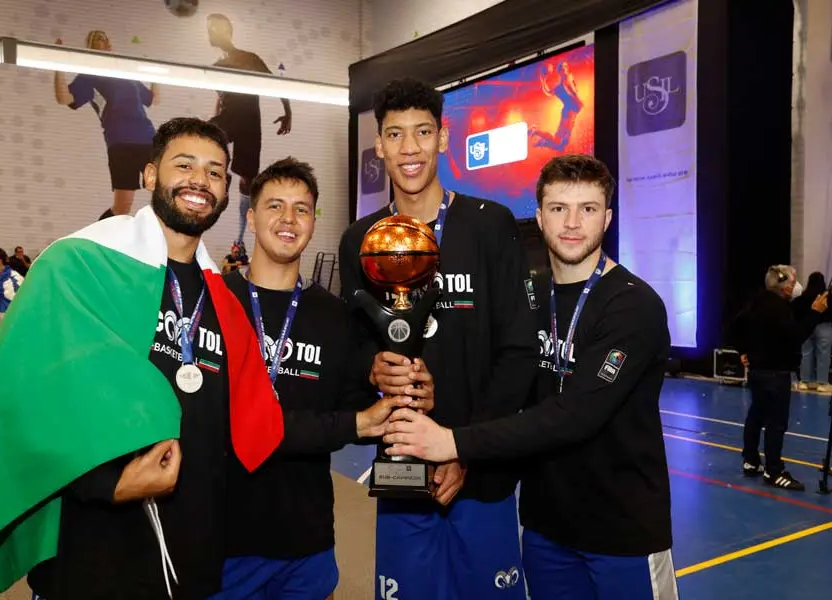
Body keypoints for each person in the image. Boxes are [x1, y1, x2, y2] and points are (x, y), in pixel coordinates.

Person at [0, 117, 283, 600]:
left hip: (193, 557)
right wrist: (107, 482)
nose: (200, 182)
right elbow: (32, 396)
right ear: (149, 175)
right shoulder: (78, 265)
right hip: (94, 553)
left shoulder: (225, 301)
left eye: (215, 173)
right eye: (184, 165)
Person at [382, 154, 680, 600]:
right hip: (545, 529)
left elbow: (576, 414)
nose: (573, 223)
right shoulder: (530, 297)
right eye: (559, 208)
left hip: (622, 533)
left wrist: (454, 442)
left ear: (609, 217)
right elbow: (507, 390)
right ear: (540, 217)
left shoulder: (632, 306)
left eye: (589, 208)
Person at [338, 77, 538, 600]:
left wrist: (465, 447)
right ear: (378, 145)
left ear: (444, 139)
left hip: (481, 472)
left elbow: (518, 350)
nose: (410, 149)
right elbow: (353, 345)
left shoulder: (489, 224)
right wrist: (372, 368)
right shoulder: (361, 239)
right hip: (402, 469)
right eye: (396, 134)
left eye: (422, 132)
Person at [219, 157, 434, 599]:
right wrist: (356, 423)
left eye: (301, 209)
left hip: (306, 542)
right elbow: (228, 423)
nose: (287, 219)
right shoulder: (218, 303)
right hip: (221, 541)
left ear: (313, 222)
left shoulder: (336, 316)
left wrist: (401, 392)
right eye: (274, 205)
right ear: (251, 214)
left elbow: (354, 403)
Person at [733, 265, 828, 490]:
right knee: (776, 423)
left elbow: (735, 327)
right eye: (793, 282)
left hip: (757, 372)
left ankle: (750, 460)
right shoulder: (778, 310)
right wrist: (815, 313)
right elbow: (795, 337)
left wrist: (743, 351)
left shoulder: (758, 302)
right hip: (776, 374)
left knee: (756, 415)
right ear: (786, 287)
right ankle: (774, 470)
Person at [53, 30, 160, 220]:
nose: (102, 40)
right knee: (122, 207)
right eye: (95, 38)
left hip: (147, 139)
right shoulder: (89, 77)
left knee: (165, 191)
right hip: (120, 143)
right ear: (89, 46)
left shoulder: (127, 75)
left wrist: (157, 70)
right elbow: (63, 98)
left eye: (104, 37)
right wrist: (58, 64)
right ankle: (96, 242)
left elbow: (153, 99)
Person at [206, 13, 292, 243]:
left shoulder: (248, 59)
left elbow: (275, 83)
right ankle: (221, 179)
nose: (210, 34)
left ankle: (241, 239)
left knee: (248, 179)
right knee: (203, 143)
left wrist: (287, 111)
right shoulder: (216, 66)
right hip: (228, 117)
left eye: (214, 28)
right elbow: (221, 98)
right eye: (209, 29)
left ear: (227, 31)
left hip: (249, 121)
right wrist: (214, 123)